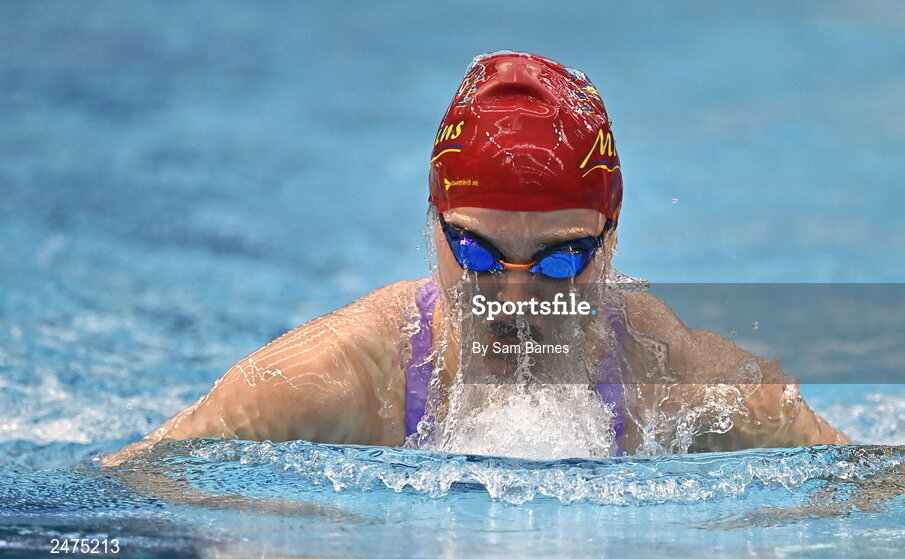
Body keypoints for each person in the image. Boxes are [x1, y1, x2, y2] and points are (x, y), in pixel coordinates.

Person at [105, 50, 849, 464]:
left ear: (611, 240)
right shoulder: (333, 380)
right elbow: (127, 483)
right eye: (477, 254)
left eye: (561, 261)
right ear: (432, 226)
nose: (515, 301)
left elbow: (888, 482)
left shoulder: (677, 378)